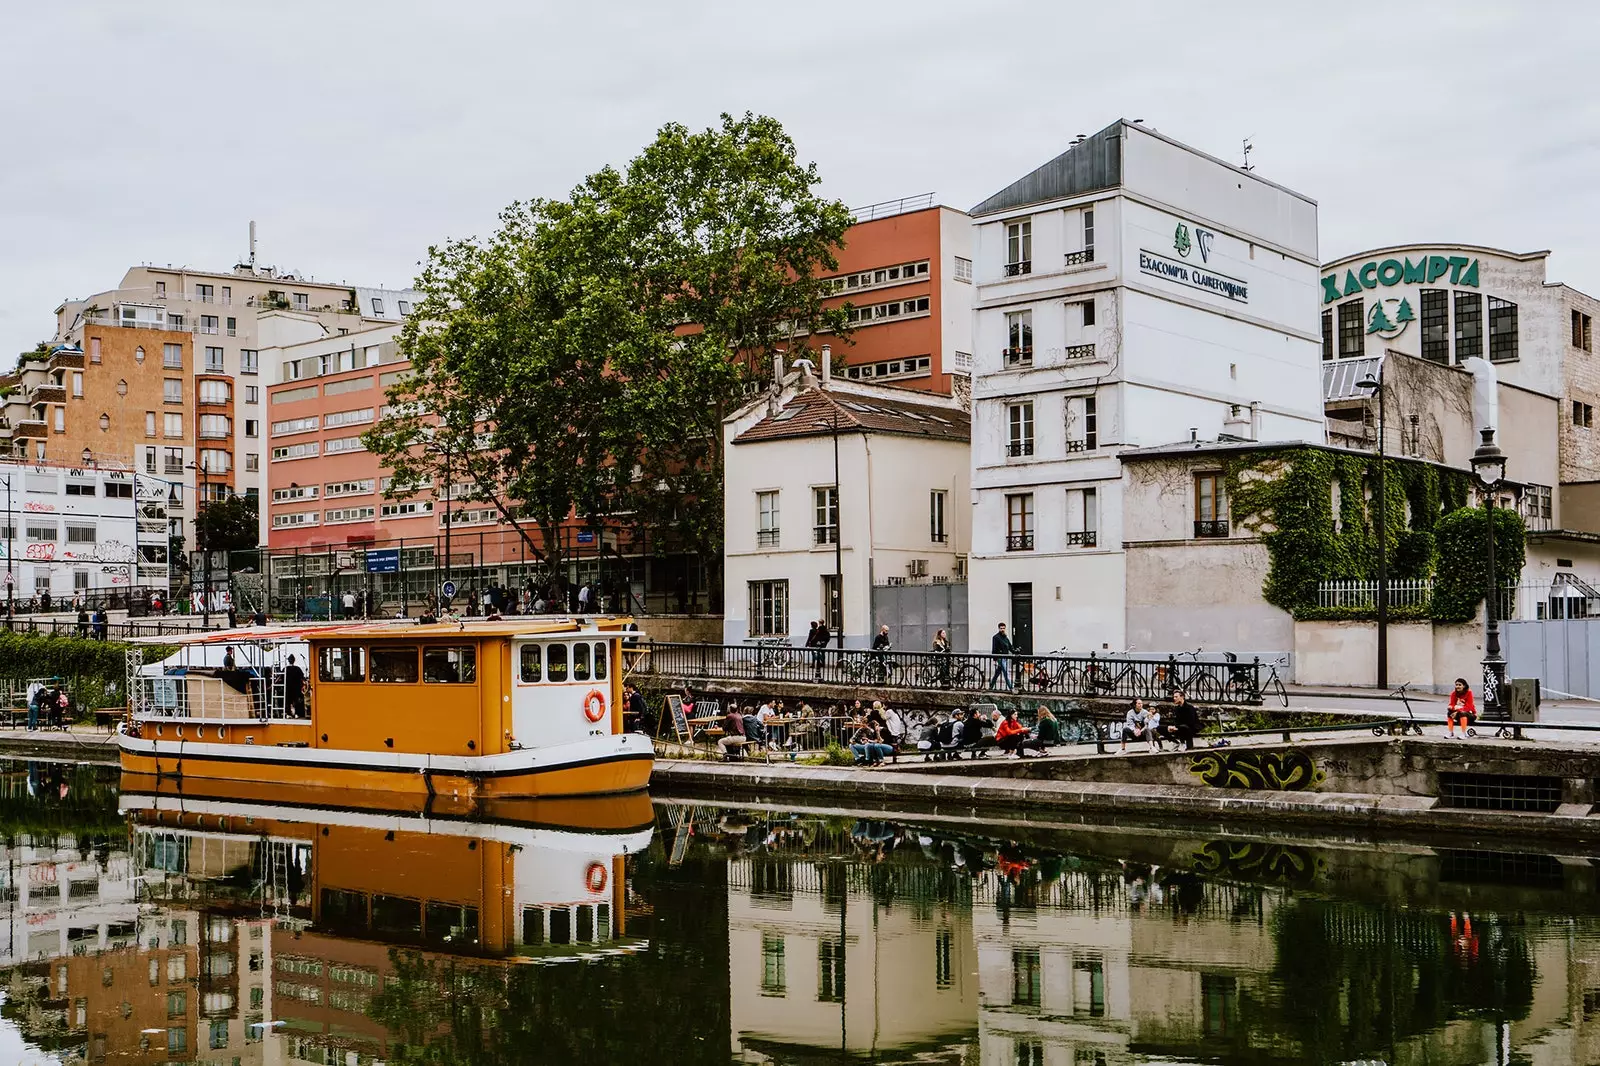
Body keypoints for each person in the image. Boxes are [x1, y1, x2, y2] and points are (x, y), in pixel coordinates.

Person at [990, 623, 1014, 690]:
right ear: (999, 628)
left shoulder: (1005, 637)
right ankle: (1011, 688)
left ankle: (991, 686)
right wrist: (994, 659)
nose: (1002, 629)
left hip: (1005, 657)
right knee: (1006, 673)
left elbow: (1010, 646)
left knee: (997, 673)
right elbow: (994, 649)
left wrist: (1015, 651)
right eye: (1001, 628)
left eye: (1003, 628)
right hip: (1000, 658)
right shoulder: (996, 637)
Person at [284, 654, 306, 718]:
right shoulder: (298, 669)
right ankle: (297, 714)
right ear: (294, 660)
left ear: (288, 660)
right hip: (296, 688)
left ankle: (288, 714)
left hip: (288, 688)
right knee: (297, 701)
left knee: (288, 701)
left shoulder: (285, 669)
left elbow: (281, 678)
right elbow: (302, 678)